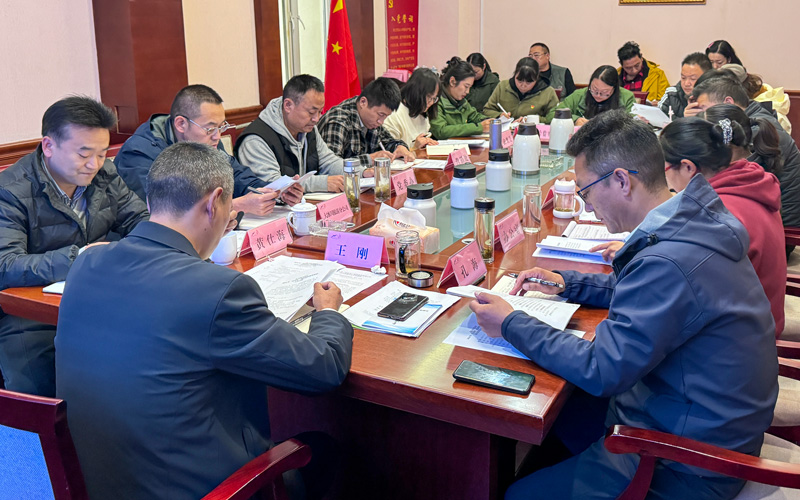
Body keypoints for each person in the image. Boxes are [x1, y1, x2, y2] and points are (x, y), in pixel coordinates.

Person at [469, 110, 778, 500]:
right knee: (562, 413)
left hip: (687, 461)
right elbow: (646, 291)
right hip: (697, 416)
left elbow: (602, 368)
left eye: (585, 191)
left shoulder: (669, 261)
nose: (586, 206)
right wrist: (568, 283)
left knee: (518, 493)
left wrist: (511, 323)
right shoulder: (689, 219)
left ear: (621, 180)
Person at [56, 142, 354, 500]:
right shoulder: (218, 290)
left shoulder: (86, 264)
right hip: (204, 491)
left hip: (94, 484)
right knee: (324, 449)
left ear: (151, 201)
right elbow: (323, 369)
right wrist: (328, 312)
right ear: (215, 203)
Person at [0, 96, 148, 397]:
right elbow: (6, 265)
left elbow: (140, 221)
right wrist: (79, 257)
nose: (94, 164)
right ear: (49, 146)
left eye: (102, 153)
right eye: (84, 154)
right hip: (29, 315)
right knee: (40, 395)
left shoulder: (104, 174)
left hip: (100, 297)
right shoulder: (11, 191)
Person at [660, 112, 786, 336]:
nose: (666, 178)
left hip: (740, 338)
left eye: (665, 169)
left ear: (688, 167)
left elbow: (683, 289)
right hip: (761, 319)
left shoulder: (717, 213)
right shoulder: (749, 181)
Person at [115, 84, 294, 216]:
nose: (217, 136)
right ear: (181, 124)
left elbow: (237, 176)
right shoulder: (139, 154)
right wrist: (234, 206)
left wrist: (272, 192)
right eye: (210, 128)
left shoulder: (207, 140)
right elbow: (158, 215)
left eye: (221, 127)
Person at [689, 76, 800, 229]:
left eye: (703, 108)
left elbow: (726, 182)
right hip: (768, 218)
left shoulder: (754, 131)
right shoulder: (753, 119)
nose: (701, 115)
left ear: (728, 102)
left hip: (784, 226)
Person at [234, 75, 348, 193]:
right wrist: (322, 183)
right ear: (288, 105)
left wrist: (357, 171)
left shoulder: (307, 128)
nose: (316, 119)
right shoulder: (255, 140)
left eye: (320, 111)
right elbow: (272, 184)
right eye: (311, 112)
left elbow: (329, 162)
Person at [317, 77, 414, 166]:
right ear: (363, 102)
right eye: (381, 114)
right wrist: (369, 159)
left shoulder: (371, 119)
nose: (381, 122)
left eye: (385, 116)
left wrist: (399, 147)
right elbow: (331, 166)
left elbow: (388, 141)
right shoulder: (338, 122)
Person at [544, 65, 636, 126]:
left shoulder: (627, 97)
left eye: (604, 92)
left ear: (615, 88)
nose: (598, 95)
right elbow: (552, 115)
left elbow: (633, 123)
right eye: (594, 89)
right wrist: (575, 120)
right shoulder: (579, 95)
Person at [429, 57, 492, 139]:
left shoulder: (461, 101)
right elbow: (441, 131)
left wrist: (491, 121)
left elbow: (475, 116)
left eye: (470, 87)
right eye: (466, 86)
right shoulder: (436, 100)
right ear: (452, 81)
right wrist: (478, 128)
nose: (468, 91)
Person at [382, 68, 441, 150]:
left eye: (434, 98)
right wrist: (414, 148)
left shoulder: (421, 113)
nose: (431, 102)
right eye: (428, 97)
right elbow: (388, 153)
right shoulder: (394, 115)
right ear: (416, 92)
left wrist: (426, 143)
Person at [482, 57, 558, 120]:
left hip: (533, 131)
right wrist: (499, 115)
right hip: (505, 130)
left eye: (529, 82)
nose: (523, 85)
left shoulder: (548, 92)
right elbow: (487, 110)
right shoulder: (503, 86)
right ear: (515, 74)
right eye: (519, 80)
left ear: (537, 78)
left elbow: (554, 117)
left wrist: (531, 120)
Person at [658, 52, 712, 118]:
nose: (686, 84)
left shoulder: (716, 97)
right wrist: (684, 120)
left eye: (692, 79)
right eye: (683, 78)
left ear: (707, 77)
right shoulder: (671, 94)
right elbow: (659, 118)